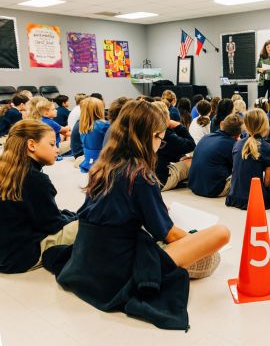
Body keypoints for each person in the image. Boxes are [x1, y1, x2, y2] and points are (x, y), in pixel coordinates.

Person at [42, 100, 229, 330]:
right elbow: (168, 234)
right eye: (160, 139)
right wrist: (194, 239)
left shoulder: (104, 166)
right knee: (218, 242)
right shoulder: (139, 175)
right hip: (119, 268)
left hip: (87, 257)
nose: (160, 145)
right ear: (150, 136)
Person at [0, 120, 78, 273]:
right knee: (90, 225)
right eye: (52, 144)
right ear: (32, 145)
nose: (56, 149)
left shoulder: (8, 171)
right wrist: (75, 217)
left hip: (4, 254)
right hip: (21, 256)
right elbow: (52, 224)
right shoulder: (34, 179)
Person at [226, 109, 270, 210]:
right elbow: (267, 182)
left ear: (246, 125)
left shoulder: (237, 144)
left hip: (233, 198)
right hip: (256, 200)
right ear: (265, 125)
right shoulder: (268, 148)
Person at [189, 114, 243, 198]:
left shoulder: (206, 137)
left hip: (194, 185)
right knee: (244, 172)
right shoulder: (232, 145)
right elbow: (238, 166)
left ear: (222, 124)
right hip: (214, 190)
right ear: (239, 134)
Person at [150, 102, 195, 192]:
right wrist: (179, 126)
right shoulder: (164, 134)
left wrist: (179, 157)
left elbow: (165, 151)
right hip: (160, 180)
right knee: (191, 161)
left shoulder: (144, 130)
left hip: (149, 175)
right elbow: (191, 145)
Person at [79, 97, 109, 173]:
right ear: (99, 110)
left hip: (88, 161)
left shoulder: (83, 126)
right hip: (102, 161)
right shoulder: (104, 125)